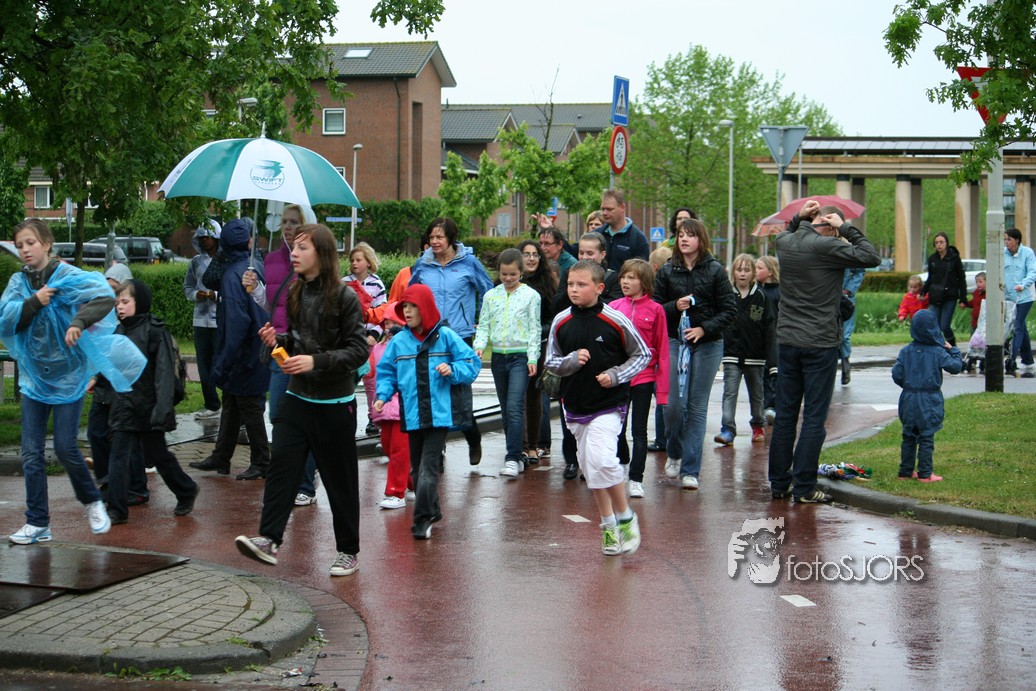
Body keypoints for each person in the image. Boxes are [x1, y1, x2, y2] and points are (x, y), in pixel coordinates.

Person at [235, 224, 370, 576]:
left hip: (335, 403)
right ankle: (269, 539)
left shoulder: (345, 297)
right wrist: (278, 342)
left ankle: (348, 550)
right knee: (281, 466)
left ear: (321, 255)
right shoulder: (295, 290)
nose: (293, 253)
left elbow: (358, 351)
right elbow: (296, 341)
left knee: (340, 481)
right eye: (293, 247)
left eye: (302, 248)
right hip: (297, 397)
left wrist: (315, 361)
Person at [0, 218, 123, 543]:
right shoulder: (18, 283)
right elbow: (5, 320)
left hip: (68, 376)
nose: (25, 250)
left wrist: (79, 322)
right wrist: (34, 301)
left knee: (66, 448)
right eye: (20, 245)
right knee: (31, 453)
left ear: (47, 244)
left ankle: (93, 501)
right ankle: (38, 522)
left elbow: (104, 296)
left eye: (30, 243)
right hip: (34, 379)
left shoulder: (67, 276)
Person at [768, 201, 880, 504]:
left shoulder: (785, 243)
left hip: (788, 340)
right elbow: (871, 256)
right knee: (814, 418)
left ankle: (779, 483)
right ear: (830, 226)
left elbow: (788, 231)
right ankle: (804, 487)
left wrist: (800, 217)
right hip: (820, 342)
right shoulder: (829, 246)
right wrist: (845, 229)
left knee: (786, 415)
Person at [545, 260, 650, 555]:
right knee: (592, 470)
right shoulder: (561, 321)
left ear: (599, 288)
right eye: (570, 284)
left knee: (603, 461)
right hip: (575, 406)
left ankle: (626, 517)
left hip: (609, 405)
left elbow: (642, 355)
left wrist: (616, 375)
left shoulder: (615, 319)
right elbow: (551, 361)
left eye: (582, 285)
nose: (574, 290)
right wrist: (571, 360)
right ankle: (608, 526)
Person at [374, 284, 481, 540]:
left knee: (427, 470)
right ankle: (433, 511)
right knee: (416, 470)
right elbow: (387, 372)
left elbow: (471, 363)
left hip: (439, 415)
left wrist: (452, 370)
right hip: (411, 415)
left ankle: (421, 520)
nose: (408, 312)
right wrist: (382, 395)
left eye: (413, 307)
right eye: (405, 307)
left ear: (426, 308)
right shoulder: (399, 342)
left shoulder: (446, 336)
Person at [106, 280, 200, 524]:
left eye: (125, 302)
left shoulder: (155, 331)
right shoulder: (119, 332)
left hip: (149, 407)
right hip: (125, 406)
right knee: (118, 456)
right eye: (117, 303)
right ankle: (116, 509)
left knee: (159, 456)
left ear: (140, 302)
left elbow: (164, 373)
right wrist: (99, 380)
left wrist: (162, 409)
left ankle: (186, 490)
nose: (119, 307)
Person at [653, 218, 737, 490]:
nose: (684, 239)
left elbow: (730, 310)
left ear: (701, 239)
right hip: (674, 341)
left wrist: (704, 329)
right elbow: (654, 308)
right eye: (681, 235)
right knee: (673, 406)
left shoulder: (715, 270)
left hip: (707, 344)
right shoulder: (667, 270)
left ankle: (691, 471)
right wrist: (673, 306)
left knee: (696, 406)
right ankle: (675, 452)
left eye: (690, 235)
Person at [409, 217, 493, 467]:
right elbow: (411, 296)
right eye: (431, 237)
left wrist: (479, 321)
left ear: (451, 239)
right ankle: (437, 451)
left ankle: (473, 437)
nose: (434, 242)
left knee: (459, 395)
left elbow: (488, 293)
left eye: (440, 237)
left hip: (459, 335)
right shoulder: (422, 264)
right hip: (430, 336)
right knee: (432, 392)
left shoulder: (469, 262)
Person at [192, 217, 271, 480]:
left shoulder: (232, 275)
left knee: (248, 405)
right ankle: (221, 456)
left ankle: (261, 460)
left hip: (244, 351)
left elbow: (236, 323)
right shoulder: (255, 266)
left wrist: (223, 362)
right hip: (256, 344)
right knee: (232, 401)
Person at [554, 231, 623, 479]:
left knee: (603, 449)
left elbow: (640, 354)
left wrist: (617, 374)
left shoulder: (612, 281)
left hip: (605, 375)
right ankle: (572, 461)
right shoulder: (569, 280)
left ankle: (609, 472)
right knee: (572, 417)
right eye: (581, 252)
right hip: (573, 373)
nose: (584, 256)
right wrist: (572, 290)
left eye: (590, 253)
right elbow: (556, 305)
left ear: (602, 255)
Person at [473, 249, 541, 477]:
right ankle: (518, 453)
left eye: (513, 274)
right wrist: (479, 345)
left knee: (514, 406)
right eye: (504, 274)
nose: (508, 278)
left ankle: (512, 457)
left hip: (520, 356)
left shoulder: (531, 296)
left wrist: (533, 356)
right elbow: (483, 325)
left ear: (521, 272)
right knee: (505, 408)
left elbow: (534, 329)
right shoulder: (491, 296)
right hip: (498, 357)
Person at [611, 258, 669, 499]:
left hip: (644, 377)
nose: (625, 281)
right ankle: (622, 462)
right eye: (623, 276)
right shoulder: (613, 307)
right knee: (617, 428)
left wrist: (663, 391)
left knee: (639, 430)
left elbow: (663, 349)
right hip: (619, 377)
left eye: (632, 277)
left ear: (644, 282)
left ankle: (636, 478)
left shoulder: (656, 310)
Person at [892, 309, 963, 482]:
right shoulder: (937, 351)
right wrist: (953, 350)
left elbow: (897, 374)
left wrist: (909, 386)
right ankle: (925, 473)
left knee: (909, 435)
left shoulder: (905, 351)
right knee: (926, 435)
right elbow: (955, 367)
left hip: (908, 397)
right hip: (929, 398)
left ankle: (905, 471)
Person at [715, 253, 775, 446]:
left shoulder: (761, 297)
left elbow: (769, 328)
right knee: (729, 392)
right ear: (733, 272)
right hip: (731, 354)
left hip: (755, 356)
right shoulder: (726, 296)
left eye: (747, 270)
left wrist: (772, 359)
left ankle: (758, 425)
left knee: (756, 394)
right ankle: (727, 429)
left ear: (753, 273)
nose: (742, 274)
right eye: (739, 270)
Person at [86, 262, 136, 490]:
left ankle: (131, 484)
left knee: (122, 438)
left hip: (121, 392)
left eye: (116, 290)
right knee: (96, 432)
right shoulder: (101, 314)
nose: (112, 297)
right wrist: (96, 377)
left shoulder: (134, 324)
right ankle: (106, 479)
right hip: (103, 388)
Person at [516, 239, 558, 464]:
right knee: (515, 397)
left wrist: (536, 331)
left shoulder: (547, 283)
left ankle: (537, 443)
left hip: (539, 344)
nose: (531, 259)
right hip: (514, 346)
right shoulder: (509, 282)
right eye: (526, 254)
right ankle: (519, 445)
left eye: (535, 254)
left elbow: (553, 317)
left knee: (535, 395)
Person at [371, 305, 412, 509]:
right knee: (387, 446)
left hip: (403, 406)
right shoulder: (378, 348)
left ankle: (395, 492)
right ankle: (413, 483)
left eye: (394, 323)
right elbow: (371, 372)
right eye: (386, 323)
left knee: (399, 450)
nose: (389, 327)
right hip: (384, 406)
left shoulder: (409, 344)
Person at [346, 241, 388, 434]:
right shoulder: (345, 282)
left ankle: (373, 417)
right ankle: (345, 416)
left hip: (368, 340)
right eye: (352, 260)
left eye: (358, 260)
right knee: (348, 379)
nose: (354, 263)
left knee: (371, 381)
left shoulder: (376, 284)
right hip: (349, 339)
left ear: (368, 262)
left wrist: (374, 334)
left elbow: (383, 312)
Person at [182, 220, 222, 420]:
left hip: (220, 320)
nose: (204, 241)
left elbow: (233, 289)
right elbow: (187, 287)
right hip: (200, 320)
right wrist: (196, 295)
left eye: (207, 237)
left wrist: (217, 295)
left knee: (222, 362)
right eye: (200, 238)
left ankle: (232, 403)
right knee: (203, 364)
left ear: (216, 238)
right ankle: (212, 404)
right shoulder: (196, 262)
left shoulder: (225, 261)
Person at [647, 245, 674, 451]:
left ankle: (662, 439)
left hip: (660, 347)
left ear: (654, 267)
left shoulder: (655, 290)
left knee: (661, 394)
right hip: (674, 341)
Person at [921, 231, 967, 347]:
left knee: (944, 326)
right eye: (936, 243)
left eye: (941, 242)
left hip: (950, 295)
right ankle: (937, 348)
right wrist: (923, 291)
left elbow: (961, 278)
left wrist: (963, 298)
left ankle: (953, 347)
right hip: (935, 295)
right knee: (933, 325)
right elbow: (931, 277)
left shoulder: (954, 258)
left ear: (947, 243)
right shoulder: (932, 259)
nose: (939, 245)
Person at [1003, 228, 1036, 377]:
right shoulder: (1003, 254)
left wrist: (1023, 284)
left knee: (1016, 326)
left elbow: (1032, 272)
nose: (1006, 242)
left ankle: (1011, 358)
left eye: (1009, 239)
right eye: (1005, 239)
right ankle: (1028, 360)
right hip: (1008, 297)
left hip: (1024, 297)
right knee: (1021, 327)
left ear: (1016, 240)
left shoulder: (1027, 253)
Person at [755, 255, 780, 425]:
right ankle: (764, 406)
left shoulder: (778, 292)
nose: (756, 271)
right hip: (758, 339)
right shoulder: (755, 291)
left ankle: (772, 405)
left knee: (773, 372)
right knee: (761, 374)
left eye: (759, 268)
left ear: (770, 272)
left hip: (775, 338)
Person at [597, 189, 650, 271]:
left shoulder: (638, 239)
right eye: (603, 209)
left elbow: (642, 273)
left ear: (622, 208)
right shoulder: (596, 235)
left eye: (609, 209)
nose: (604, 213)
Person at [839, 267, 866, 385]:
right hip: (823, 298)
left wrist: (848, 290)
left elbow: (859, 271)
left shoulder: (847, 253)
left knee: (844, 336)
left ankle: (845, 367)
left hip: (845, 300)